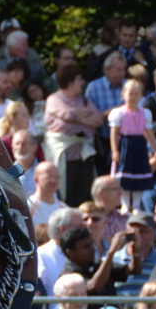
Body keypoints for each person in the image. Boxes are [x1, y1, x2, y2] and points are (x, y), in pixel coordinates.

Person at [43, 64, 100, 204]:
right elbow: (67, 114)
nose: (82, 82)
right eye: (79, 79)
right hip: (64, 155)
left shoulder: (83, 100)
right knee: (66, 194)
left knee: (83, 193)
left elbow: (98, 119)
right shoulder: (54, 99)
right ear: (70, 81)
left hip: (83, 155)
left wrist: (76, 117)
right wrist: (86, 115)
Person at [107, 78, 156, 207]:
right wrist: (115, 150)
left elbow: (148, 132)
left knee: (138, 174)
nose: (133, 97)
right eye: (130, 94)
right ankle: (125, 204)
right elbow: (114, 133)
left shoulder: (145, 113)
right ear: (124, 95)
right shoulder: (119, 113)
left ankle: (136, 204)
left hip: (139, 146)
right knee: (125, 176)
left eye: (136, 94)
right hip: (125, 145)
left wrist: (155, 148)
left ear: (141, 96)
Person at [37, 207, 87, 293]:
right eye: (80, 227)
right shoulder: (41, 254)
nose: (83, 231)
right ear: (63, 229)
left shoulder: (83, 253)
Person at [110, 209, 156, 291]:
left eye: (142, 231)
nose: (137, 235)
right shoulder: (113, 259)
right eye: (132, 230)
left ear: (153, 233)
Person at [30, 160, 66, 242]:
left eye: (57, 177)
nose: (53, 181)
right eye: (48, 177)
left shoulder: (64, 209)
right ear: (36, 179)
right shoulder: (28, 207)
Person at [10, 127, 40, 193]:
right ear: (12, 147)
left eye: (24, 143)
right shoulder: (8, 174)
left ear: (35, 146)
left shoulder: (44, 171)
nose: (20, 147)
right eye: (17, 144)